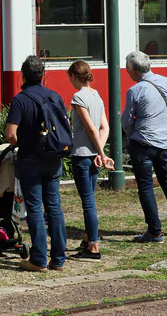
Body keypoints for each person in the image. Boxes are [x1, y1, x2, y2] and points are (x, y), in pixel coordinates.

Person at [122, 51, 167, 243]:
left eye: (127, 67)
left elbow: (127, 121)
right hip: (164, 142)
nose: (126, 70)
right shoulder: (164, 81)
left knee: (146, 187)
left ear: (134, 70)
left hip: (142, 143)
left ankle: (155, 232)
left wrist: (133, 136)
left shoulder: (134, 91)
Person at [4, 55, 67, 272]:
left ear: (23, 75)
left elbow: (10, 134)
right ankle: (58, 259)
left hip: (30, 159)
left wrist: (23, 144)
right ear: (44, 74)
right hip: (53, 158)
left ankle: (39, 259)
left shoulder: (20, 99)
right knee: (54, 207)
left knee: (35, 208)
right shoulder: (55, 96)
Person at [66, 60, 115, 262]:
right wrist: (100, 152)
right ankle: (87, 240)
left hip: (82, 155)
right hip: (94, 156)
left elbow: (90, 129)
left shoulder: (78, 98)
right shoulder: (96, 96)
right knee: (90, 200)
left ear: (74, 77)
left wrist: (101, 154)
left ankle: (93, 246)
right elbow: (105, 128)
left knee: (88, 203)